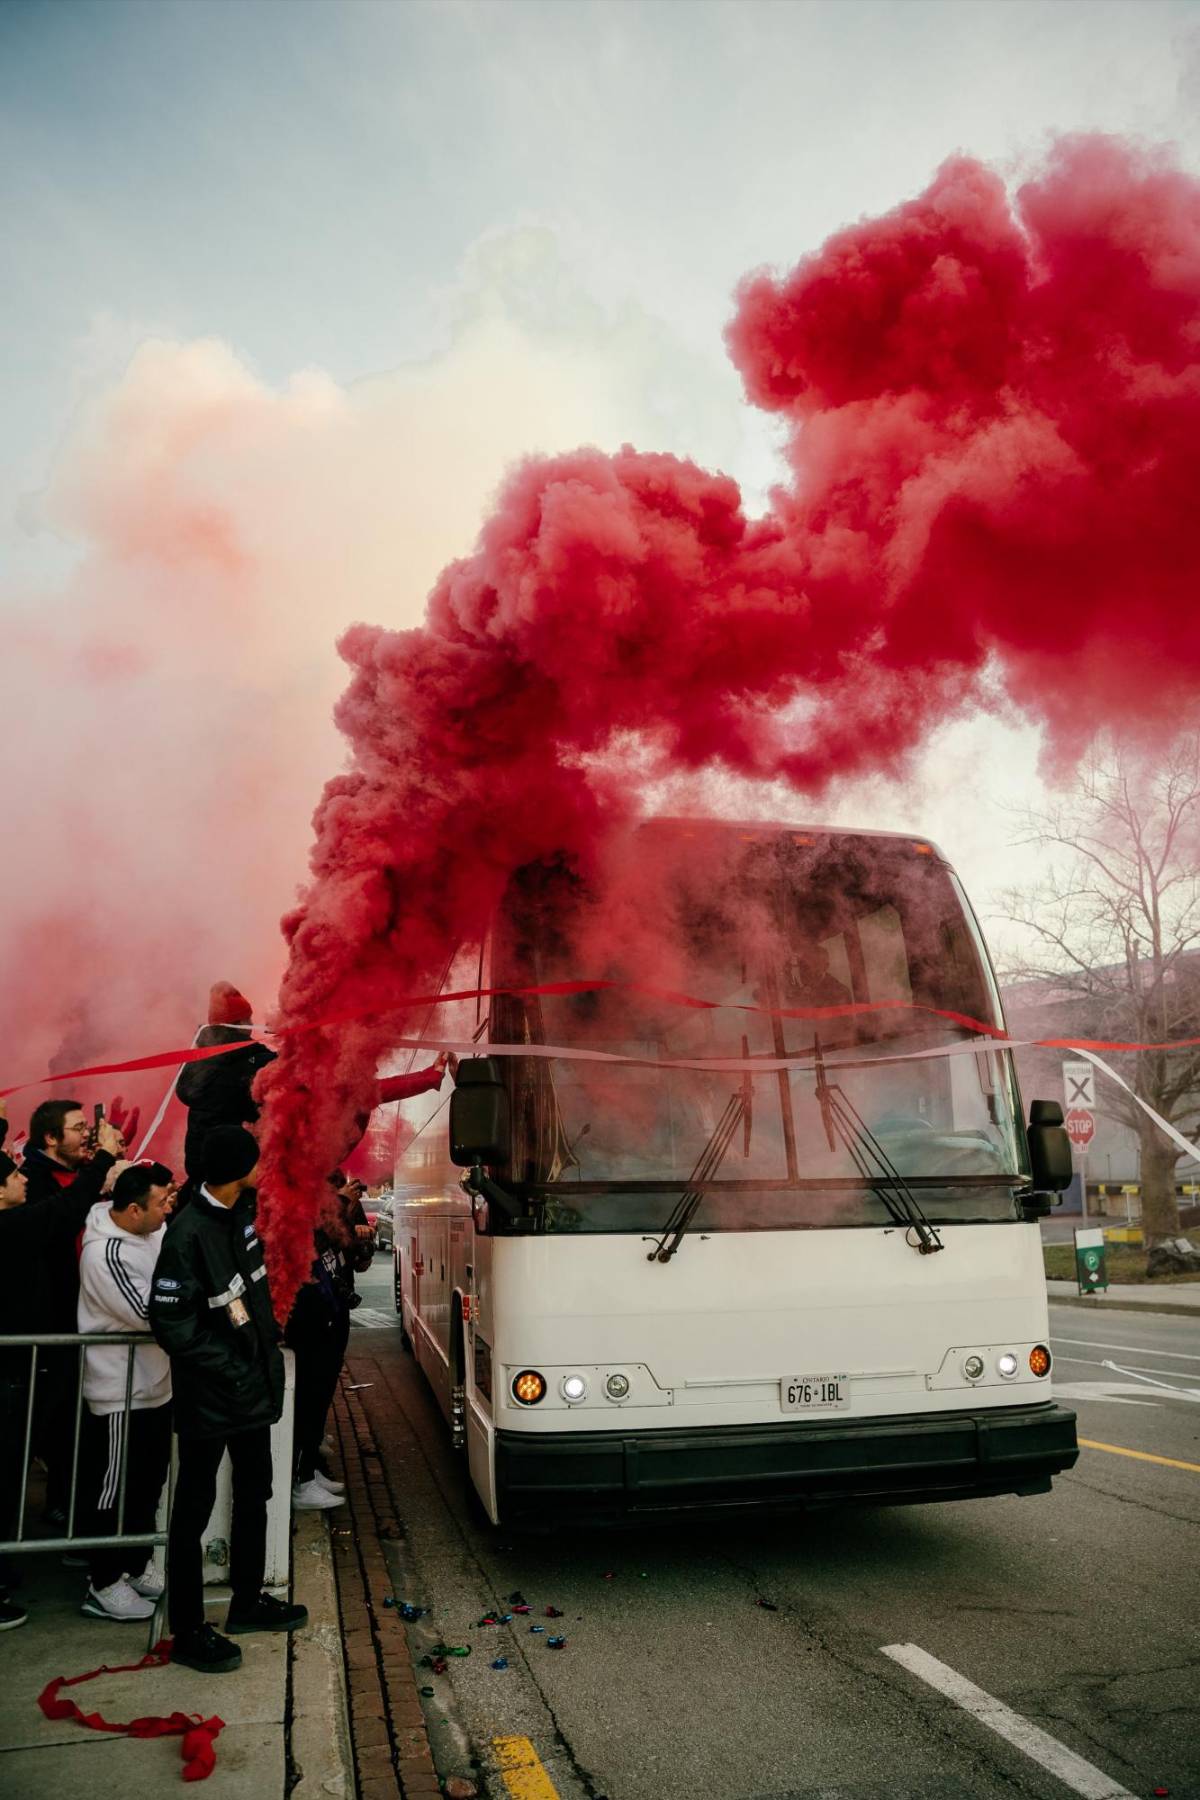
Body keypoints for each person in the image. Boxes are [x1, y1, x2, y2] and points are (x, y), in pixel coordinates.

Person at [148, 1125, 305, 1674]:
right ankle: (189, 1630)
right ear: (237, 1168)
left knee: (254, 1494)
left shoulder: (244, 1211)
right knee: (192, 1512)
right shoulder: (187, 1231)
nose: (262, 1165)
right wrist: (234, 1370)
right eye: (254, 1159)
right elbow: (170, 1319)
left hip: (249, 1395)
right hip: (211, 1400)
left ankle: (247, 1602)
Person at [0, 1114, 126, 1629]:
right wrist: (105, 1163)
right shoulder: (14, 1223)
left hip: (34, 1359)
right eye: (10, 1177)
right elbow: (65, 1211)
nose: (21, 1179)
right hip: (20, 1362)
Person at [76, 1162, 175, 1622]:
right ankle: (103, 1581)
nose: (167, 1209)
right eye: (161, 1203)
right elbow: (148, 1312)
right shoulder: (104, 1254)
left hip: (155, 1383)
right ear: (133, 1209)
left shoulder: (152, 1233)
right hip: (119, 1391)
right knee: (110, 1489)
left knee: (147, 1483)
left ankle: (135, 1564)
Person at [175, 983, 276, 1186]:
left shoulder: (196, 1060)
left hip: (199, 1166)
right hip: (232, 1170)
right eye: (248, 1018)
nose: (251, 1022)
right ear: (239, 1023)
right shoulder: (250, 1060)